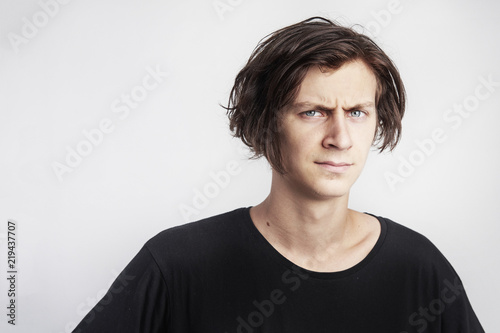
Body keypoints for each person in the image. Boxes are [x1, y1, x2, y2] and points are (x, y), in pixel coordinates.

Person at [72, 17, 484, 332]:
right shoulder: (179, 264)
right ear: (266, 124)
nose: (340, 137)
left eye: (357, 113)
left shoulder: (419, 269)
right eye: (313, 112)